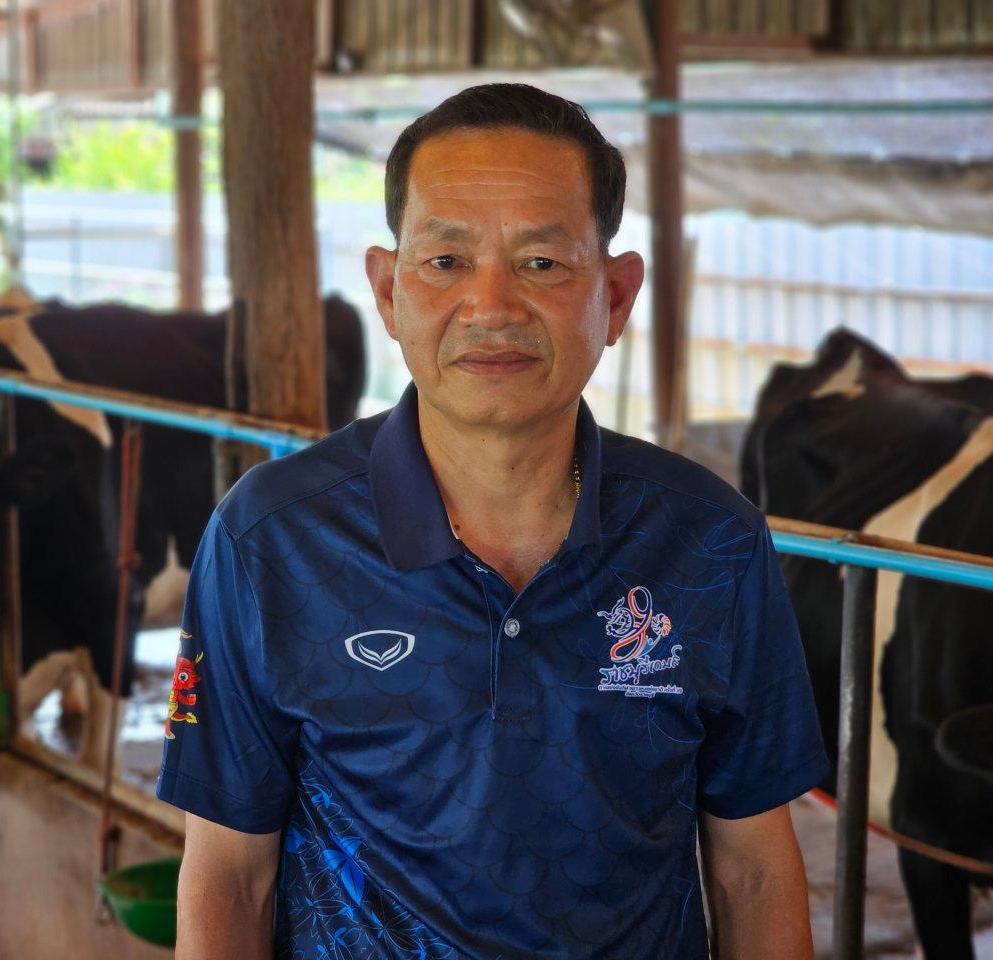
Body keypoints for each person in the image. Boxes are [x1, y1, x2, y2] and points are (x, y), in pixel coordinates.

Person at [156, 82, 828, 960]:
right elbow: (227, 876)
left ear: (616, 296)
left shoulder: (711, 543)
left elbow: (755, 871)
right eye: (445, 261)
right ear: (388, 291)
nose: (492, 307)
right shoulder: (272, 541)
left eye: (542, 263)